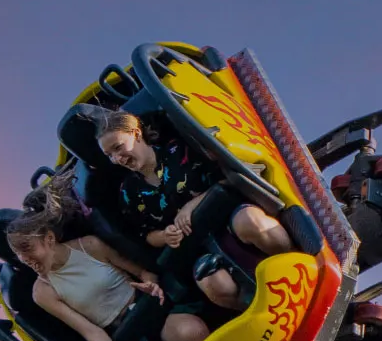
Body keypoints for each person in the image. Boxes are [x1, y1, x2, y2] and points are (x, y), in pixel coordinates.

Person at [5, 175, 209, 341]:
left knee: (194, 331)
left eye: (28, 249)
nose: (26, 259)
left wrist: (150, 285)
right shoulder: (42, 292)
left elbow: (144, 270)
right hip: (123, 338)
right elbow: (88, 329)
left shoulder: (89, 246)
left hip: (147, 313)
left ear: (48, 239)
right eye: (19, 254)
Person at [94, 110, 295, 310]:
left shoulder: (179, 150)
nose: (117, 158)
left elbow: (230, 178)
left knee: (251, 223)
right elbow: (146, 235)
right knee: (213, 282)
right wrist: (165, 235)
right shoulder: (128, 192)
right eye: (109, 155)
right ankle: (267, 310)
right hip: (197, 245)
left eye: (118, 147)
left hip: (227, 217)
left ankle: (296, 266)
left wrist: (192, 205)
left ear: (136, 134)